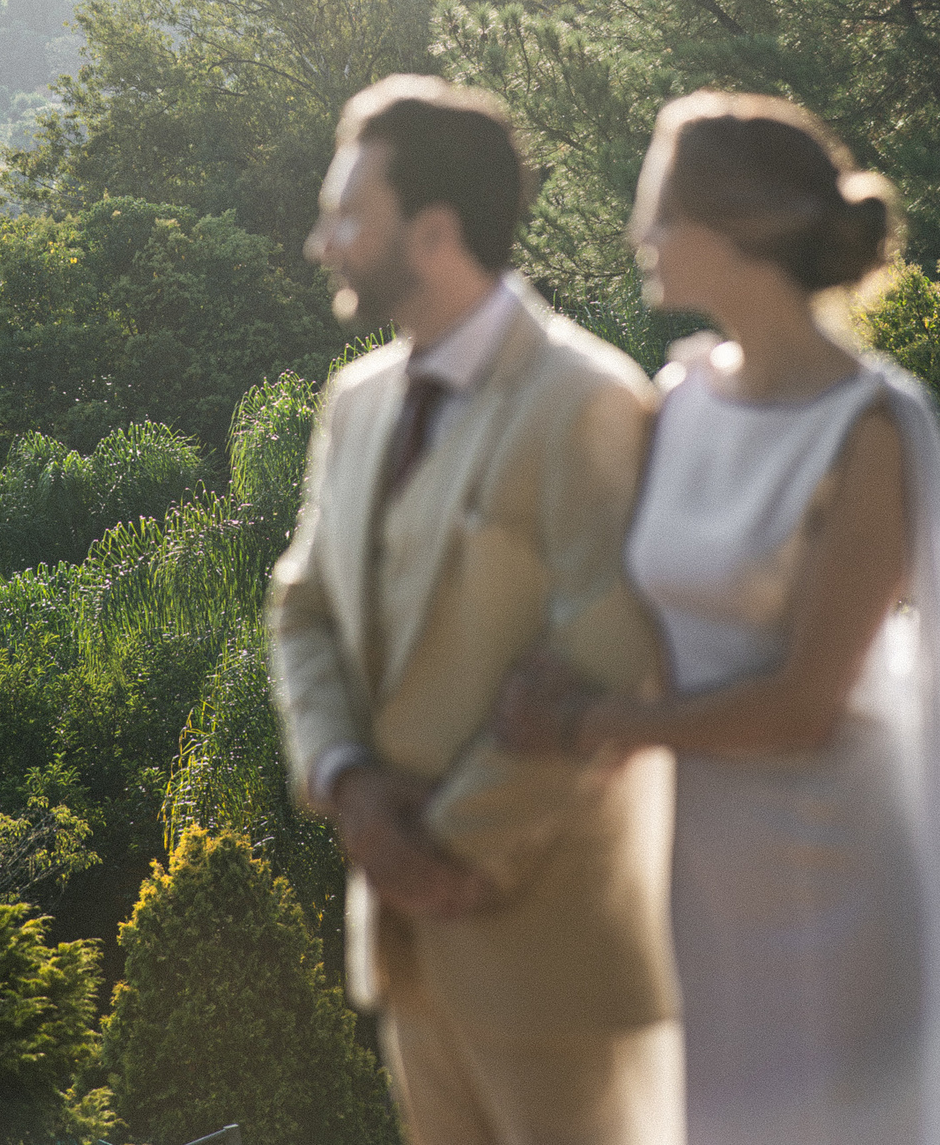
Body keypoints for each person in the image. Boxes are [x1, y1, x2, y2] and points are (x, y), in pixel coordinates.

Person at [496, 89, 940, 1145]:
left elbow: (805, 703)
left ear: (739, 230)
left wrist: (596, 726)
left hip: (825, 870)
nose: (637, 234)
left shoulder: (872, 429)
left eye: (658, 209)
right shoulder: (681, 396)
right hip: (694, 872)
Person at [269, 74, 684, 1145]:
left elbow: (613, 663)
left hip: (549, 951)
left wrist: (439, 849)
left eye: (346, 216)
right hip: (406, 958)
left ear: (436, 229)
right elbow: (302, 608)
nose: (323, 243)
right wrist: (348, 783)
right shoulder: (353, 402)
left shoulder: (587, 397)